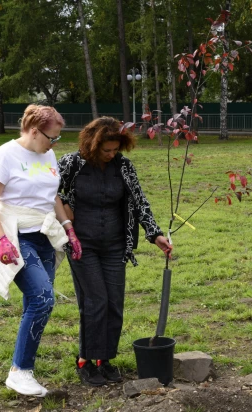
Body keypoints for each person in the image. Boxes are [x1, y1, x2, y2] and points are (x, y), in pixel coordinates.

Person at [0, 105, 82, 397]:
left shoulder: (48, 154)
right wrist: (0, 240)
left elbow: (52, 195)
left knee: (36, 301)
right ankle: (20, 372)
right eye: (52, 137)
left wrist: (68, 227)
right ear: (34, 131)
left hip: (45, 234)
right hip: (17, 237)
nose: (55, 143)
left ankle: (24, 366)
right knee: (43, 299)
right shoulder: (4, 155)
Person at [57, 116, 172, 386]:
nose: (111, 154)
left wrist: (154, 234)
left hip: (115, 245)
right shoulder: (71, 164)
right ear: (92, 144)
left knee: (114, 303)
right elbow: (49, 194)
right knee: (95, 301)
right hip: (80, 244)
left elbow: (140, 200)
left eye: (115, 149)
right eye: (105, 150)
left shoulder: (124, 167)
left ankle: (104, 359)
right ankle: (85, 359)